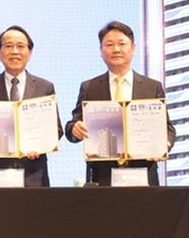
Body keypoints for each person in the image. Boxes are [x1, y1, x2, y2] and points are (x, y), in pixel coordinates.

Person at [65, 21, 176, 186]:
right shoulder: (89, 87)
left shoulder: (152, 87)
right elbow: (72, 126)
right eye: (109, 45)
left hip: (144, 175)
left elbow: (167, 129)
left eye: (122, 44)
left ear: (133, 48)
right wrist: (75, 129)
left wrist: (163, 145)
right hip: (102, 178)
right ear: (101, 51)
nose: (116, 49)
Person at [0, 25, 60, 187]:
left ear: (30, 53)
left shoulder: (45, 87)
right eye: (8, 46)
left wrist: (41, 146)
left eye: (21, 46)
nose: (15, 51)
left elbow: (56, 129)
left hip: (34, 175)